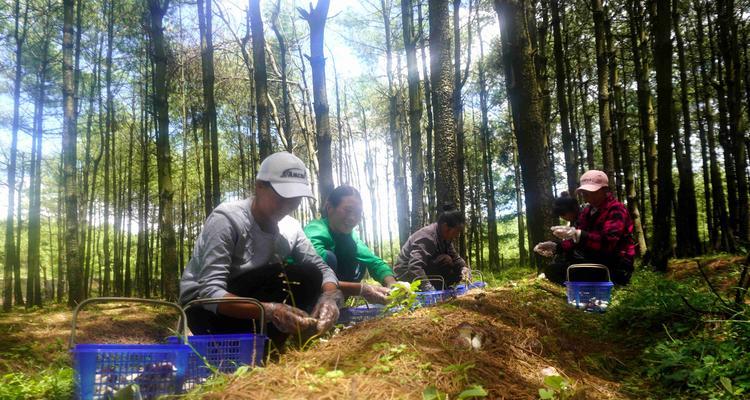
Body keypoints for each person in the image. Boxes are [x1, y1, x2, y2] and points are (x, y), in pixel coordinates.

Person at [179, 152, 343, 345]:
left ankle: (277, 341)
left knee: (309, 274)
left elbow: (322, 269)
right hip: (206, 312)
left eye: (296, 198)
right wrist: (269, 311)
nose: (289, 205)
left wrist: (329, 296)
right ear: (259, 186)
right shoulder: (227, 219)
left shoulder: (290, 227)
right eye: (282, 196)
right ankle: (250, 341)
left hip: (254, 307)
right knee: (285, 274)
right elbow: (210, 292)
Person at [534, 170, 636, 285]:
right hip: (594, 260)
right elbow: (576, 240)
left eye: (590, 193)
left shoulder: (616, 209)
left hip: (616, 264)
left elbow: (608, 243)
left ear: (604, 190)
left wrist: (579, 235)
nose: (586, 197)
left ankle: (607, 282)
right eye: (584, 193)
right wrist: (557, 247)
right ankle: (589, 283)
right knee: (553, 270)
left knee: (567, 271)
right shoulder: (587, 211)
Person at [303, 185, 397, 304]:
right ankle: (314, 307)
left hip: (334, 289)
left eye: (358, 213)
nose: (352, 218)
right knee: (329, 258)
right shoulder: (316, 230)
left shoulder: (351, 238)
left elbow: (374, 262)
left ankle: (337, 305)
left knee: (360, 261)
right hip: (302, 291)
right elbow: (316, 272)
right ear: (329, 208)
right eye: (347, 211)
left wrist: (392, 285)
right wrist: (362, 289)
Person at [393, 205, 470, 291]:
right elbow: (415, 266)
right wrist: (428, 287)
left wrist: (464, 268)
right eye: (456, 231)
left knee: (455, 266)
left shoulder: (445, 238)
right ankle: (434, 291)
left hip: (425, 269)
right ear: (445, 227)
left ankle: (444, 289)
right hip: (406, 276)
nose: (457, 235)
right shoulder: (427, 237)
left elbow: (455, 258)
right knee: (445, 260)